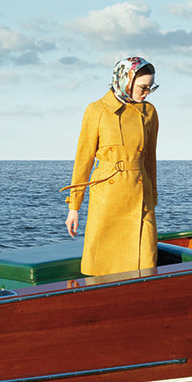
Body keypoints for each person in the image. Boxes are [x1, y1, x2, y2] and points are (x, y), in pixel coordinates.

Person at [63, 56, 159, 277]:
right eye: (142, 87)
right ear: (125, 80)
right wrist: (74, 207)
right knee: (102, 266)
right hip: (107, 196)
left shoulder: (149, 112)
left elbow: (150, 158)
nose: (146, 93)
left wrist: (152, 198)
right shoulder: (97, 110)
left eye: (150, 88)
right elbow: (83, 159)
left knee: (145, 262)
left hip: (141, 198)